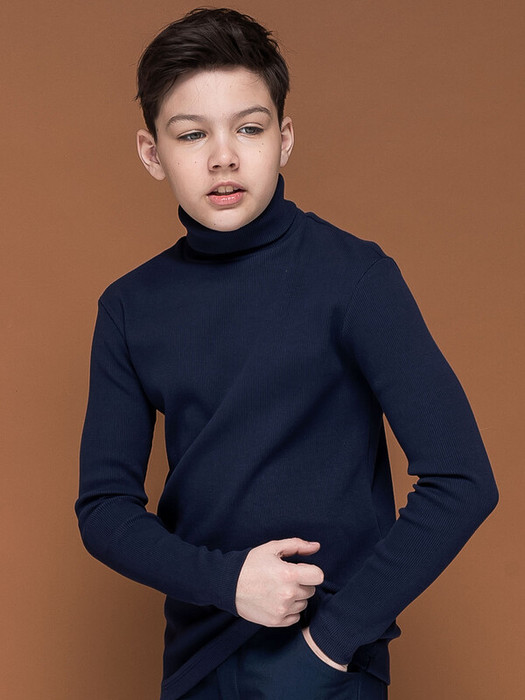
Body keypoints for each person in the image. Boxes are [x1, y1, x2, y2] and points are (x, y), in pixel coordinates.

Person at [75, 7, 499, 700]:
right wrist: (227, 582)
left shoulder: (355, 278)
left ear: (284, 138)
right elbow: (104, 510)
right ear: (152, 153)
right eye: (192, 133)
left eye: (249, 128)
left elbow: (462, 480)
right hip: (196, 663)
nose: (223, 157)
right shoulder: (129, 307)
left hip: (327, 665)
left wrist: (331, 644)